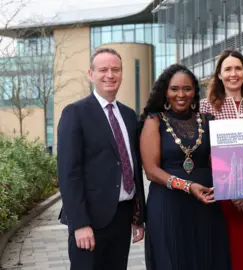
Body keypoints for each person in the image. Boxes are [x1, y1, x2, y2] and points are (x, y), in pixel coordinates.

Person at [57, 47, 146, 270]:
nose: (110, 75)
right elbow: (69, 173)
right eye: (103, 69)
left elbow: (134, 165)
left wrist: (138, 215)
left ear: (122, 74)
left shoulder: (128, 115)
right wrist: (80, 224)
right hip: (91, 221)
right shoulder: (75, 113)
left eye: (115, 69)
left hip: (122, 217)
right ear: (91, 74)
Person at [139, 64, 231, 270]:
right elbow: (151, 171)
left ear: (195, 92)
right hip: (168, 205)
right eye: (174, 89)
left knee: (209, 260)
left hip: (207, 204)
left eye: (187, 89)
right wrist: (188, 186)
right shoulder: (155, 121)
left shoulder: (208, 120)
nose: (181, 94)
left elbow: (224, 161)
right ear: (165, 91)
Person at [199, 49, 243, 270]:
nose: (233, 74)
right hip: (220, 196)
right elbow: (202, 149)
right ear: (219, 74)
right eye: (227, 69)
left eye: (238, 68)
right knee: (224, 256)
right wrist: (232, 188)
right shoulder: (205, 107)